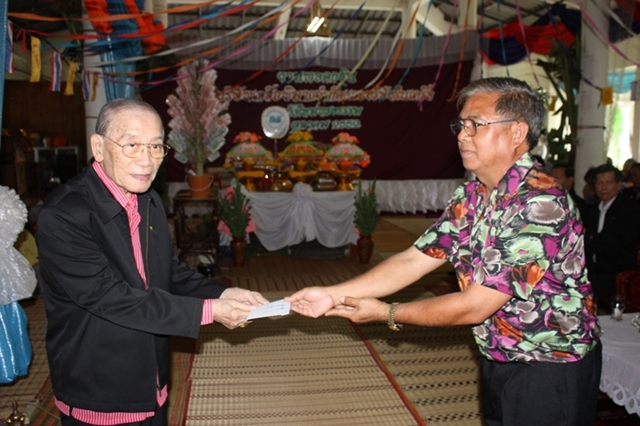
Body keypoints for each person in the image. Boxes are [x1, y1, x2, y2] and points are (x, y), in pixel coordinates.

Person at [286, 77, 602, 426]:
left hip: (551, 365)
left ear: (517, 132)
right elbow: (414, 260)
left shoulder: (540, 203)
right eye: (461, 125)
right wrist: (332, 294)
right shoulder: (472, 195)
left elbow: (475, 305)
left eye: (475, 125)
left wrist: (386, 313)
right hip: (499, 356)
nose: (462, 135)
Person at [36, 98, 268, 426]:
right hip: (99, 385)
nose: (146, 161)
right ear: (99, 147)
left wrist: (221, 293)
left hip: (152, 375)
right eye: (132, 145)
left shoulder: (149, 200)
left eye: (156, 146)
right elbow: (109, 298)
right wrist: (208, 311)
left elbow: (168, 271)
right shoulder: (64, 215)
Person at [583, 163, 640, 299]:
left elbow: (620, 243)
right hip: (592, 269)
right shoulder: (593, 210)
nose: (604, 188)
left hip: (616, 270)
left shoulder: (629, 209)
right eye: (600, 183)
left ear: (619, 184)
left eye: (609, 183)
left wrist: (591, 237)